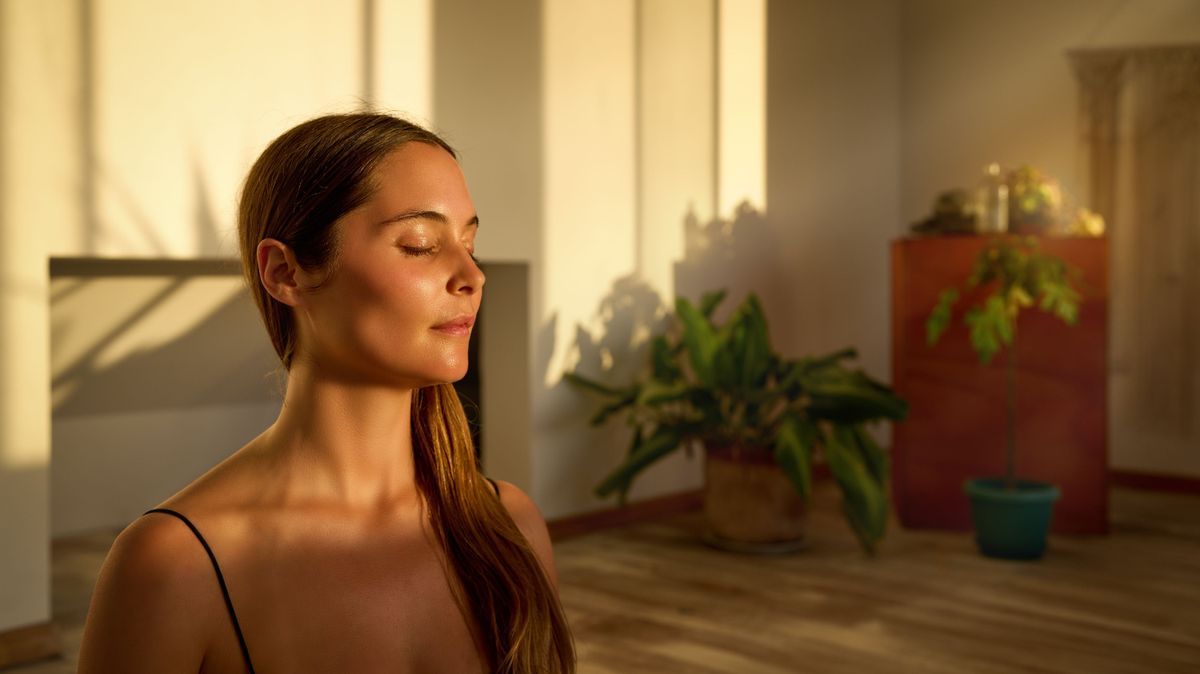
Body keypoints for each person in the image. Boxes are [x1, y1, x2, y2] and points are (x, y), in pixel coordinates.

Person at [77, 113, 575, 673]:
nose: (472, 275)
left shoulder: (509, 525)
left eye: (470, 243)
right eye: (419, 244)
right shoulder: (173, 567)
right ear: (285, 272)